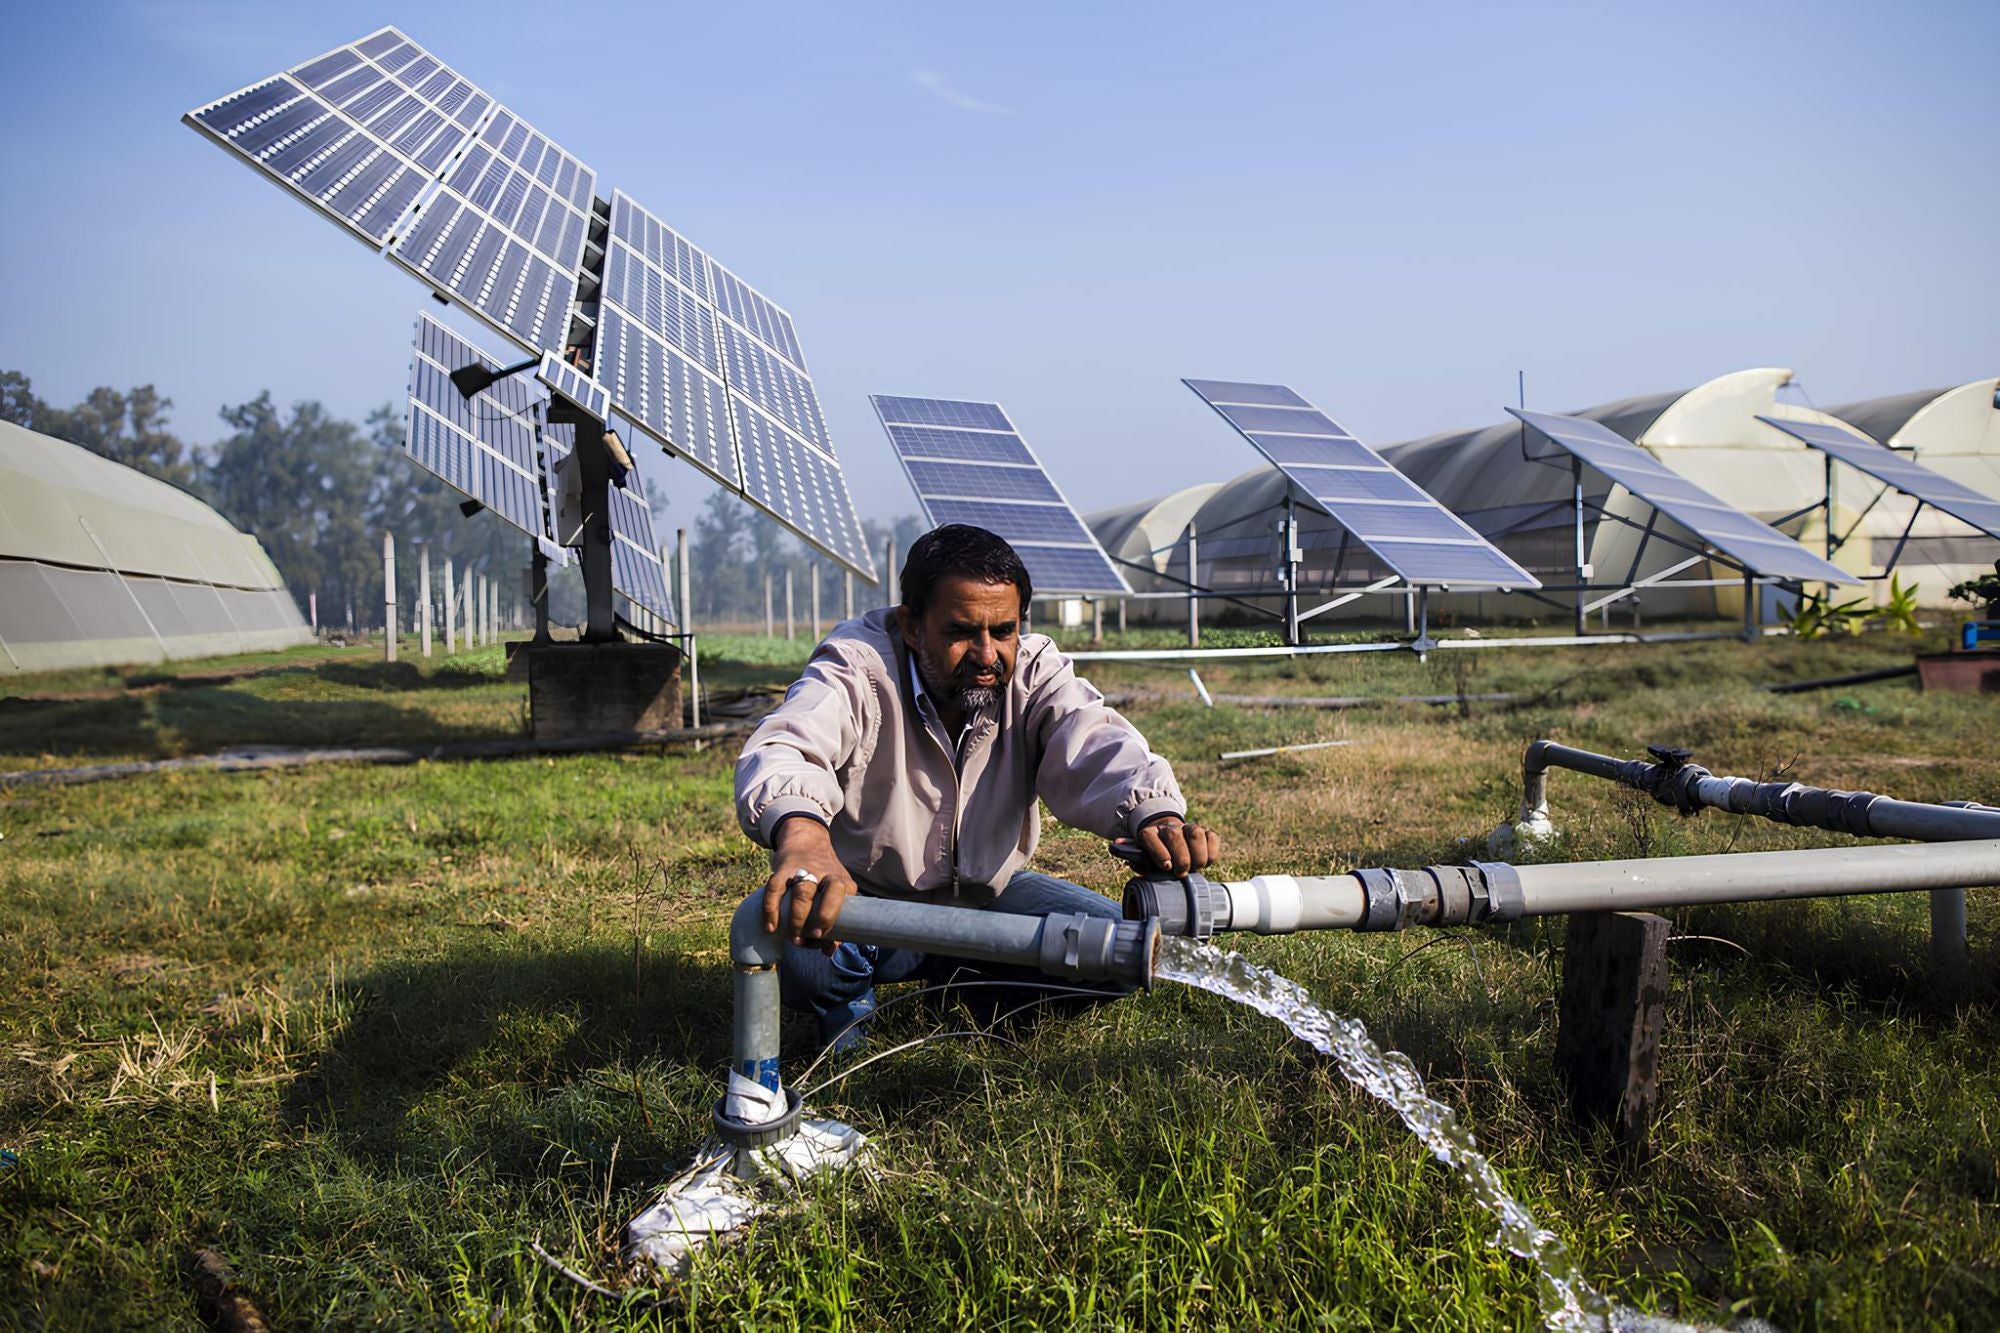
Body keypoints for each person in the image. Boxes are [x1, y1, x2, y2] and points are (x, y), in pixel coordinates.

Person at [734, 524, 1222, 1052]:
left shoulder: (1035, 673)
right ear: (913, 627)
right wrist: (805, 840)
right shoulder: (860, 665)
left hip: (990, 899)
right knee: (798, 943)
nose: (987, 654)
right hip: (870, 903)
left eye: (1004, 630)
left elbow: (1095, 742)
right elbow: (788, 745)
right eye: (962, 632)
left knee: (1120, 951)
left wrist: (1153, 814)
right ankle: (848, 1003)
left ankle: (972, 987)